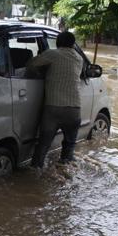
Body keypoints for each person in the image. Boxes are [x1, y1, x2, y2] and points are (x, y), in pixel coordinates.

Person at [27, 31, 84, 168]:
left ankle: (36, 172)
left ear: (58, 42)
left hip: (54, 108)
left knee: (43, 145)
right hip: (74, 109)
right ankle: (65, 168)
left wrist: (40, 72)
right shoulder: (79, 58)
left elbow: (31, 64)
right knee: (69, 145)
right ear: (72, 44)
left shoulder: (53, 54)